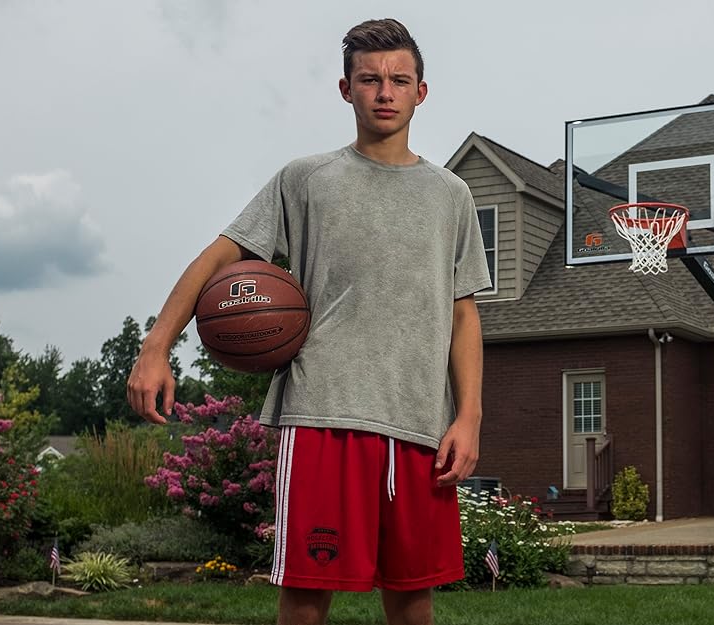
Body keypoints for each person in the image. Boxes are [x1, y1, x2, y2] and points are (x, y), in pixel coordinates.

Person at [127, 18, 488, 625]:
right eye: (369, 79)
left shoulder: (451, 194)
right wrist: (156, 346)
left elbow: (463, 313)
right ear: (345, 89)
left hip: (421, 421)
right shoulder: (306, 179)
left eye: (399, 80)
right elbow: (219, 256)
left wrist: (469, 416)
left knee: (413, 596)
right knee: (304, 593)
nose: (384, 91)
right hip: (324, 410)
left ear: (421, 92)